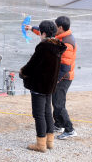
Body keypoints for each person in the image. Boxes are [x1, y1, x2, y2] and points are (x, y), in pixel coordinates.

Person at [25, 16, 78, 139]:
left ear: (60, 27)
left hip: (64, 77)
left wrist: (55, 80)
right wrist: (32, 28)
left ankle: (70, 129)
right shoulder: (60, 37)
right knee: (54, 102)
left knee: (58, 104)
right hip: (58, 76)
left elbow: (65, 66)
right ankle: (58, 125)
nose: (54, 27)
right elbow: (46, 33)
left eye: (56, 25)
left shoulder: (67, 43)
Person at [20, 20, 67, 152]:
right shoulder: (58, 47)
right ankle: (49, 141)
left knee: (38, 114)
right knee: (47, 113)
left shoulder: (43, 47)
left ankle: (41, 144)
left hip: (39, 85)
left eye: (40, 32)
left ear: (44, 33)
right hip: (50, 85)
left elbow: (32, 65)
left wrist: (22, 72)